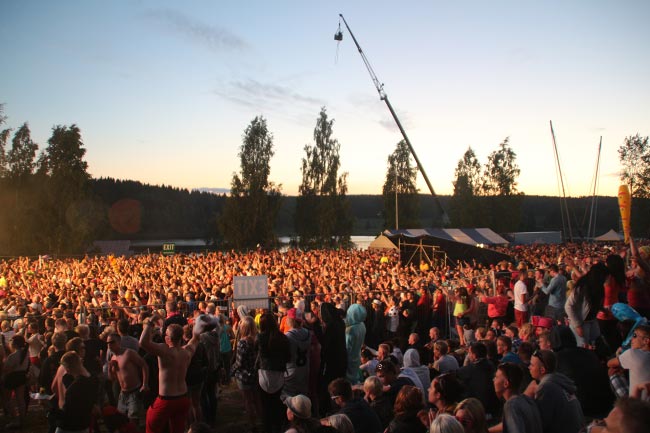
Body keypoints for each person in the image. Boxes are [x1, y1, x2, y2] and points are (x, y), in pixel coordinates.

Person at [139, 313, 200, 433]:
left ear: (168, 338)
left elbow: (143, 342)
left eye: (165, 334)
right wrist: (196, 326)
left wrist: (150, 321)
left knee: (152, 428)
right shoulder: (187, 352)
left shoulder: (164, 351)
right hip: (182, 399)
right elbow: (195, 339)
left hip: (166, 400)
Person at [525, 350, 583, 433]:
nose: (529, 367)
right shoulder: (560, 382)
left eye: (532, 365)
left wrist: (526, 397)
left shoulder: (547, 388)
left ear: (542, 370)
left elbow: (539, 424)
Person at [257, 312, 291, 433]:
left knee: (265, 406)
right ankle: (277, 427)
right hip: (279, 374)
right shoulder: (283, 337)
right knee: (277, 403)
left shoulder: (260, 337)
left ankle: (267, 428)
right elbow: (288, 357)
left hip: (264, 374)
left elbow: (261, 355)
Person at [107, 333, 149, 426]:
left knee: (133, 421)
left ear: (119, 342)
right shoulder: (113, 358)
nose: (109, 345)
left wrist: (145, 384)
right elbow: (112, 379)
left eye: (112, 342)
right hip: (123, 393)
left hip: (134, 391)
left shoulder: (128, 353)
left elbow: (144, 365)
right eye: (108, 343)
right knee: (122, 421)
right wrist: (110, 368)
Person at [53, 351, 99, 433]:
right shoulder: (94, 379)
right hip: (85, 424)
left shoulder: (74, 387)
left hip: (70, 427)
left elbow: (68, 414)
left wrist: (50, 409)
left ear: (68, 368)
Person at [565, 263, 608, 348]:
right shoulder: (582, 287)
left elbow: (592, 303)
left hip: (592, 320)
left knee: (596, 343)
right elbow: (568, 306)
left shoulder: (597, 286)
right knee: (583, 348)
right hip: (581, 322)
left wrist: (602, 309)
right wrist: (577, 326)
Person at [491, 363, 542, 433]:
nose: (493, 380)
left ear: (506, 384)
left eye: (496, 377)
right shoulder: (527, 400)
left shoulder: (511, 405)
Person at [230, 316, 262, 429]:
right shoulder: (258, 339)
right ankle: (262, 421)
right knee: (257, 399)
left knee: (248, 401)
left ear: (243, 328)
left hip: (244, 376)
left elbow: (239, 363)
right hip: (256, 374)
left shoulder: (242, 343)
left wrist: (231, 371)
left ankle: (252, 424)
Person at [606, 324, 650, 399]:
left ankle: (623, 404)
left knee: (612, 371)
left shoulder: (633, 354)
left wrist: (620, 358)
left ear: (646, 341)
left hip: (637, 404)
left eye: (635, 335)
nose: (631, 339)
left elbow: (609, 363)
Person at [345, 303, 367, 384]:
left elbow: (347, 347)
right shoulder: (362, 325)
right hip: (357, 355)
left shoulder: (350, 330)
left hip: (349, 358)